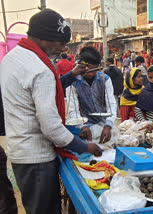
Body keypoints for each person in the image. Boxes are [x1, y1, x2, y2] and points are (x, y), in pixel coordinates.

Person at [0, 9, 102, 214]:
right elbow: (51, 127)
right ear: (44, 38)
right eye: (61, 43)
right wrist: (85, 146)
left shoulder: (12, 58)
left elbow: (31, 97)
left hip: (20, 152)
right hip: (37, 158)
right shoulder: (40, 70)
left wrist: (71, 76)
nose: (64, 48)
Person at [66, 47, 117, 144]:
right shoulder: (72, 82)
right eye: (87, 69)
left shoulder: (105, 79)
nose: (90, 73)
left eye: (94, 70)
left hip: (103, 124)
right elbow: (73, 109)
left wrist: (108, 125)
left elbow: (111, 103)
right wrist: (82, 126)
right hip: (83, 126)